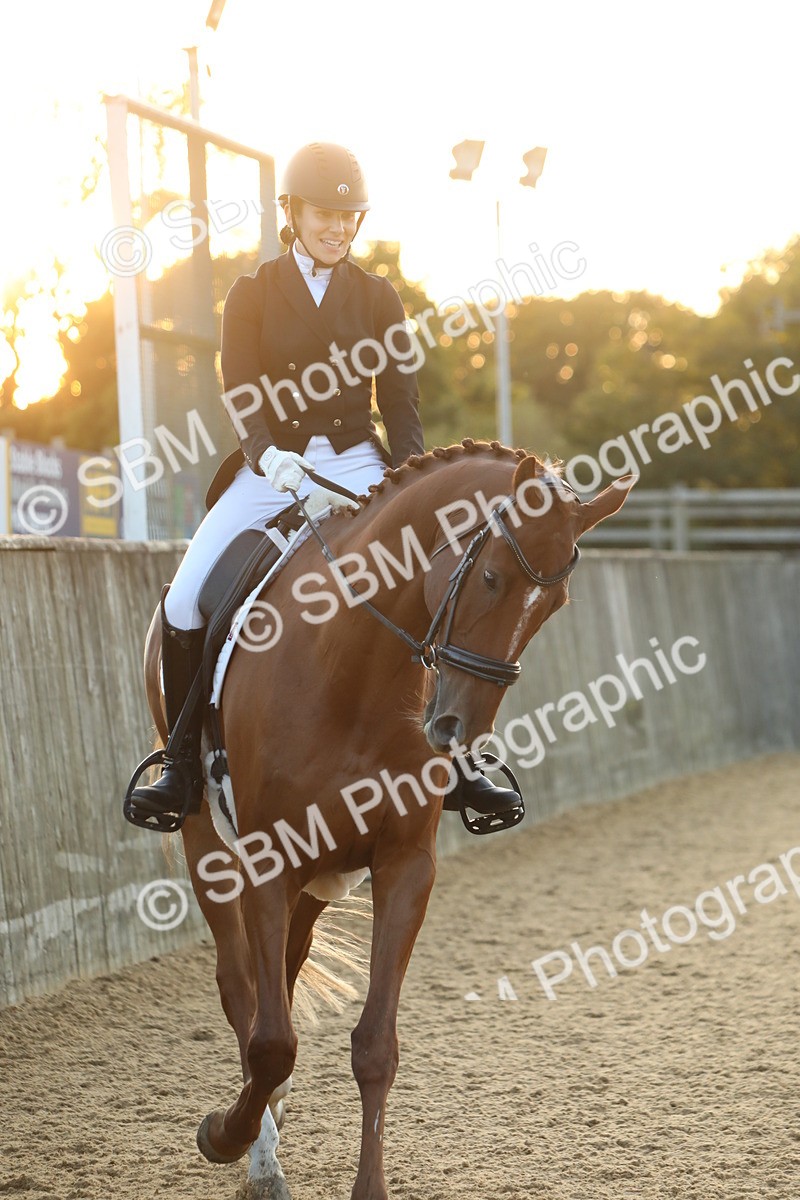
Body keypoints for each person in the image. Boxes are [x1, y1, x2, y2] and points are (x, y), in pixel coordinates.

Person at [126, 141, 521, 833]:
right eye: (325, 215)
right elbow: (241, 387)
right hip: (268, 467)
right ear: (293, 213)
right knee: (187, 596)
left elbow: (401, 403)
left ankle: (460, 761)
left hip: (355, 464)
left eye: (349, 216)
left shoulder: (377, 297)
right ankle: (182, 765)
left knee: (435, 578)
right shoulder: (251, 293)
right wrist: (266, 454)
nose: (338, 228)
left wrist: (408, 484)